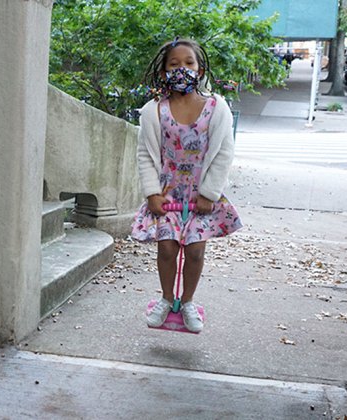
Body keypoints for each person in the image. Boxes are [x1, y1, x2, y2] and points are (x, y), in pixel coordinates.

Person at [131, 37, 242, 333]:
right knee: (166, 249)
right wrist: (152, 192)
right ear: (164, 71)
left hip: (200, 195)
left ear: (200, 68)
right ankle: (167, 298)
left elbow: (224, 153)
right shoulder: (154, 110)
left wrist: (209, 194)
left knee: (194, 251)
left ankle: (189, 301)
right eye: (174, 64)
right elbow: (145, 154)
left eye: (189, 63)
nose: (182, 69)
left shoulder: (216, 108)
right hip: (167, 194)